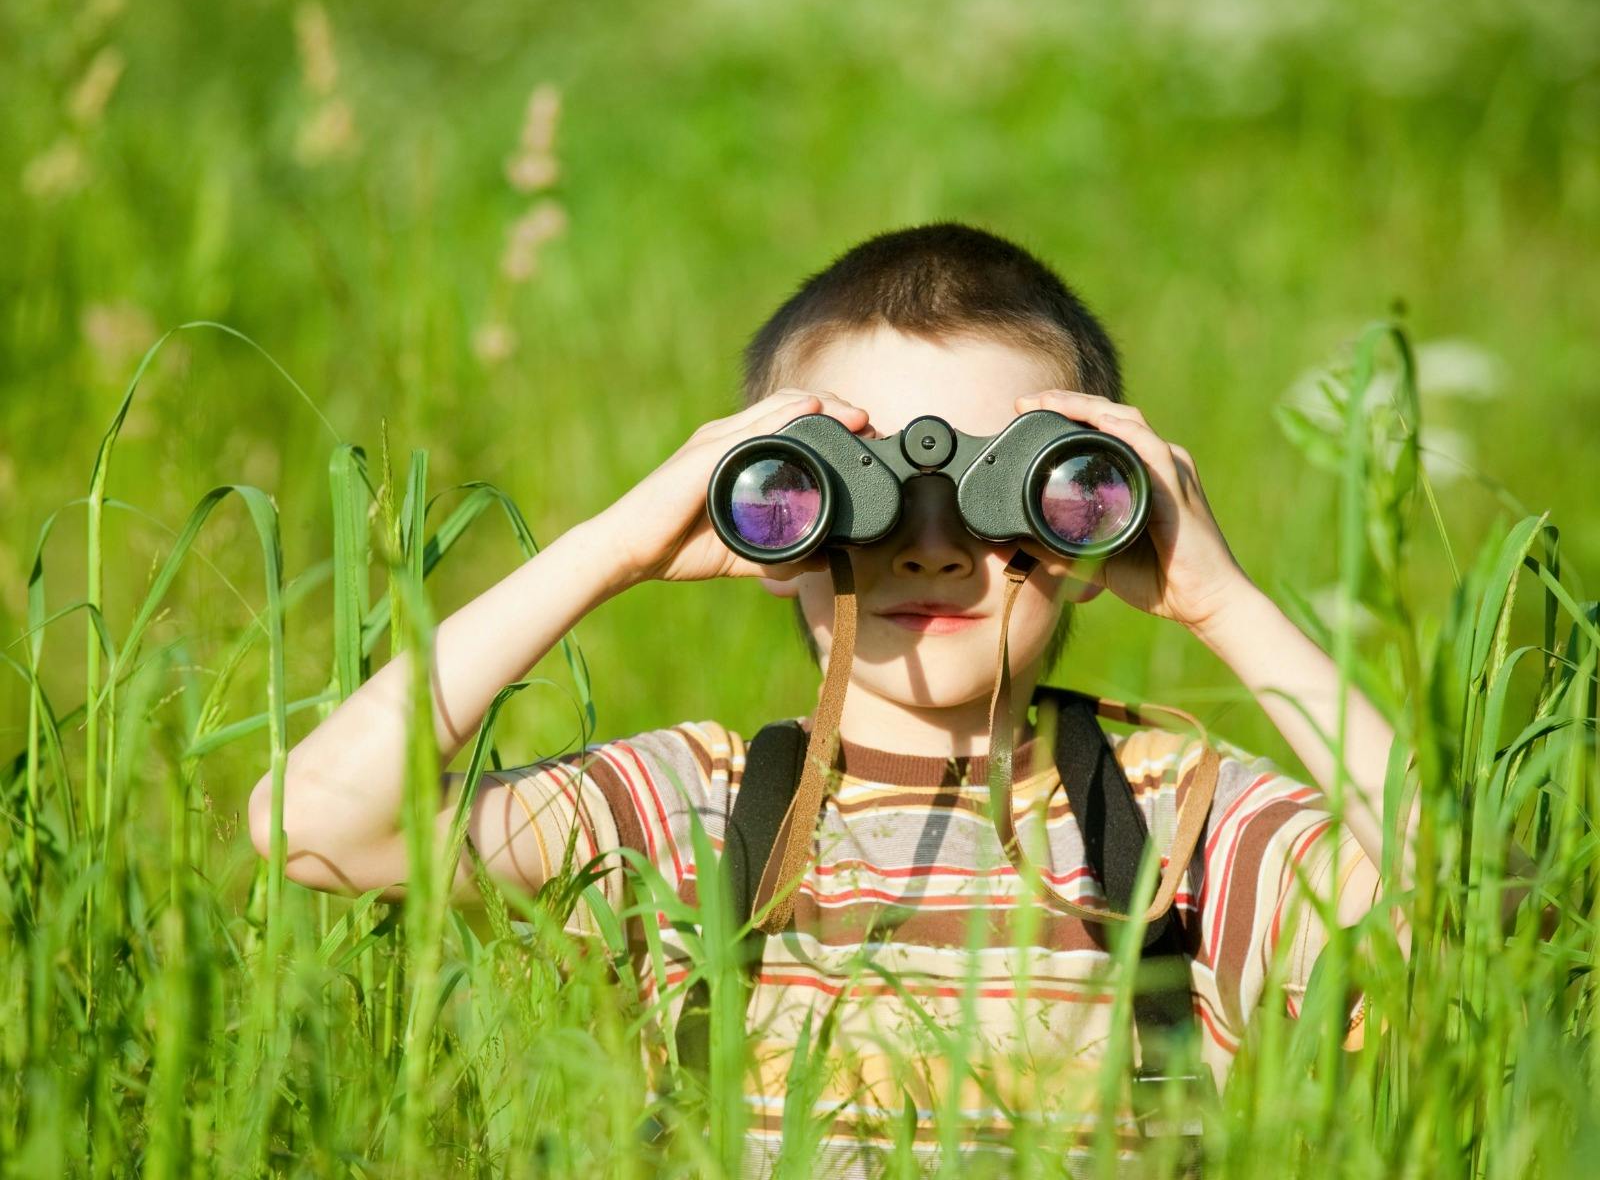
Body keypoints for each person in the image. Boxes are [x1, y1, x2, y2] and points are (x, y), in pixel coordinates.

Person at [248, 222, 1404, 1177]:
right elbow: (318, 827)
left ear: (1096, 513)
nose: (932, 548)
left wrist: (1219, 596)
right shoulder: (694, 811)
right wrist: (616, 544)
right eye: (869, 493)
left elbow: (1480, 906)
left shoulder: (1184, 824)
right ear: (773, 515)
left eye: (1008, 490)